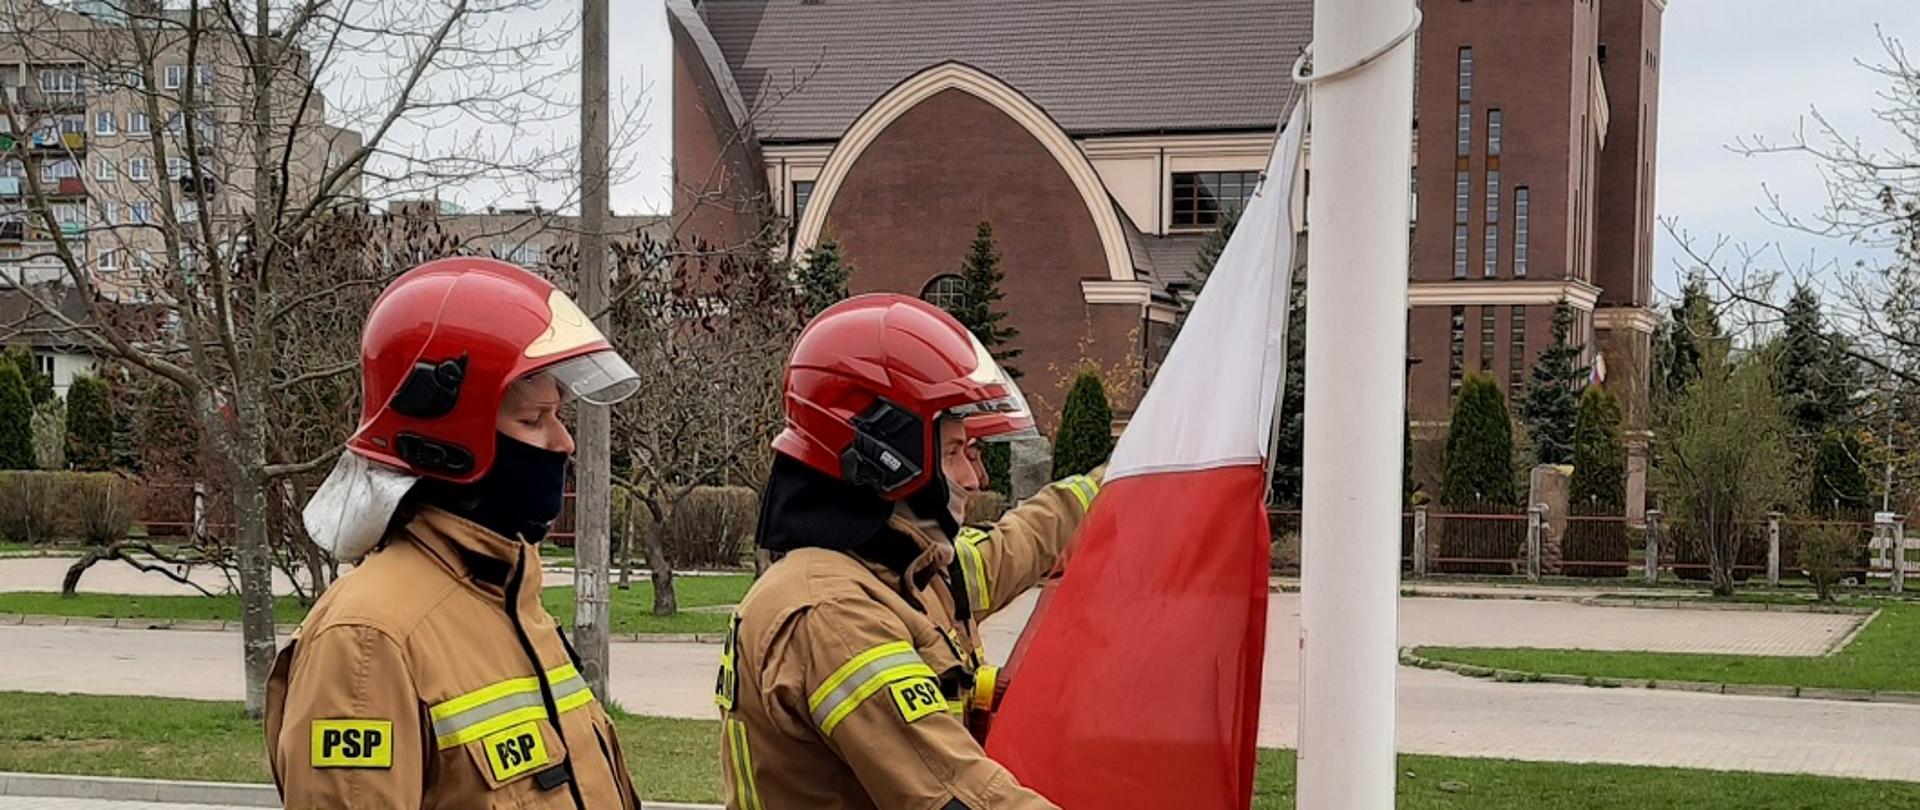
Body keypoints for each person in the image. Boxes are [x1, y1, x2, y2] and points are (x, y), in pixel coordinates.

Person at [266, 257, 645, 809]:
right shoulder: (367, 641)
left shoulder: (510, 598)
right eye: (534, 420)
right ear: (446, 440)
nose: (565, 443)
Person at [717, 294, 1103, 809]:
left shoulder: (902, 571)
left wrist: (1122, 482)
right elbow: (957, 794)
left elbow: (1019, 543)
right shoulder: (834, 614)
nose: (975, 478)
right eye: (953, 454)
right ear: (885, 457)